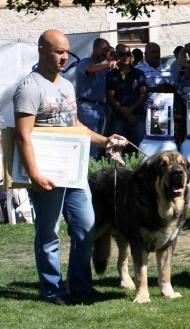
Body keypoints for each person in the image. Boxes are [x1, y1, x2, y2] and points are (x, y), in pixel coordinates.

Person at [13, 29, 126, 305]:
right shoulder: (29, 87)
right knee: (48, 232)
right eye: (57, 52)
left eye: (66, 52)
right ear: (41, 50)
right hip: (46, 174)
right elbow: (23, 135)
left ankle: (80, 287)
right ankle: (53, 290)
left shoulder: (65, 85)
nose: (64, 57)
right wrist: (34, 175)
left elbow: (75, 126)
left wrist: (105, 141)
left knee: (86, 226)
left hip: (73, 172)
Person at [75, 38, 117, 159]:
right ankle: (87, 174)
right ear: (95, 48)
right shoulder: (85, 62)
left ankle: (92, 172)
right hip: (87, 107)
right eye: (103, 49)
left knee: (98, 145)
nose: (105, 52)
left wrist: (111, 59)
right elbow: (91, 68)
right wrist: (108, 63)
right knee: (89, 146)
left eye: (107, 50)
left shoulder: (104, 66)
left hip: (101, 109)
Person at [106, 44, 148, 152]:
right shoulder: (111, 75)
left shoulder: (139, 74)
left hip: (137, 115)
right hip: (118, 117)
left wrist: (131, 109)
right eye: (122, 54)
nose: (125, 57)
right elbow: (110, 97)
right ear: (117, 56)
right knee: (119, 149)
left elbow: (143, 95)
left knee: (139, 148)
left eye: (128, 54)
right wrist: (123, 111)